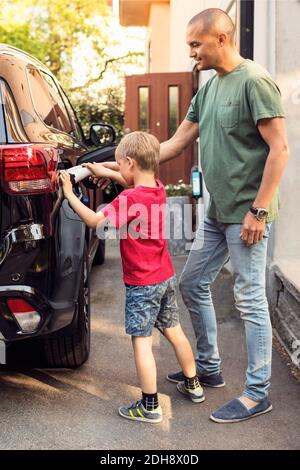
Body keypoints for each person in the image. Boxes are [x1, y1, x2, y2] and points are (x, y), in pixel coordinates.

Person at [157, 8, 289, 423]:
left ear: (222, 38)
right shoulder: (209, 87)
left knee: (250, 300)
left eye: (196, 44)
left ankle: (256, 393)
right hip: (217, 210)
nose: (191, 53)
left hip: (247, 213)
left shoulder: (255, 81)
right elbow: (175, 143)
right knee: (192, 282)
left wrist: (259, 210)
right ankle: (210, 369)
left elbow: (279, 149)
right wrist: (117, 163)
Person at [59, 131, 205, 425]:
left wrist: (69, 195)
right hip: (164, 276)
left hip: (142, 283)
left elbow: (95, 221)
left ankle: (150, 405)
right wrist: (102, 170)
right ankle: (193, 383)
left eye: (118, 164)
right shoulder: (157, 189)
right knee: (174, 330)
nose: (117, 169)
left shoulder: (128, 198)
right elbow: (129, 179)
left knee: (141, 341)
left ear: (129, 162)